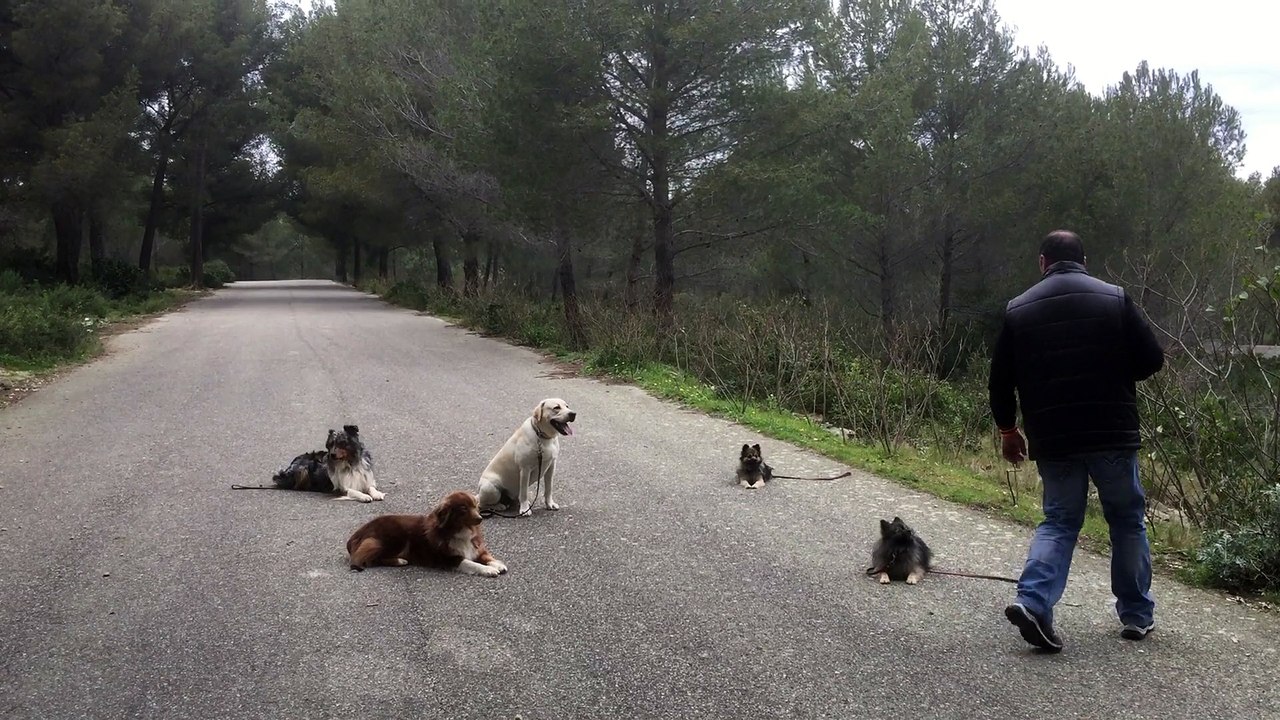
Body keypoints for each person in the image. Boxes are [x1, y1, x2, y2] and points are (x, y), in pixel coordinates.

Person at [988, 230, 1165, 653]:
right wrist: (1115, 374)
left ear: (1042, 262)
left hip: (1055, 436)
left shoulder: (1018, 309)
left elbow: (1000, 381)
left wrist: (1008, 430)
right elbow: (1152, 359)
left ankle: (1034, 602)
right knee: (1126, 520)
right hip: (1112, 431)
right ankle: (1136, 615)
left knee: (1060, 521)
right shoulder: (1114, 298)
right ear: (1084, 261)